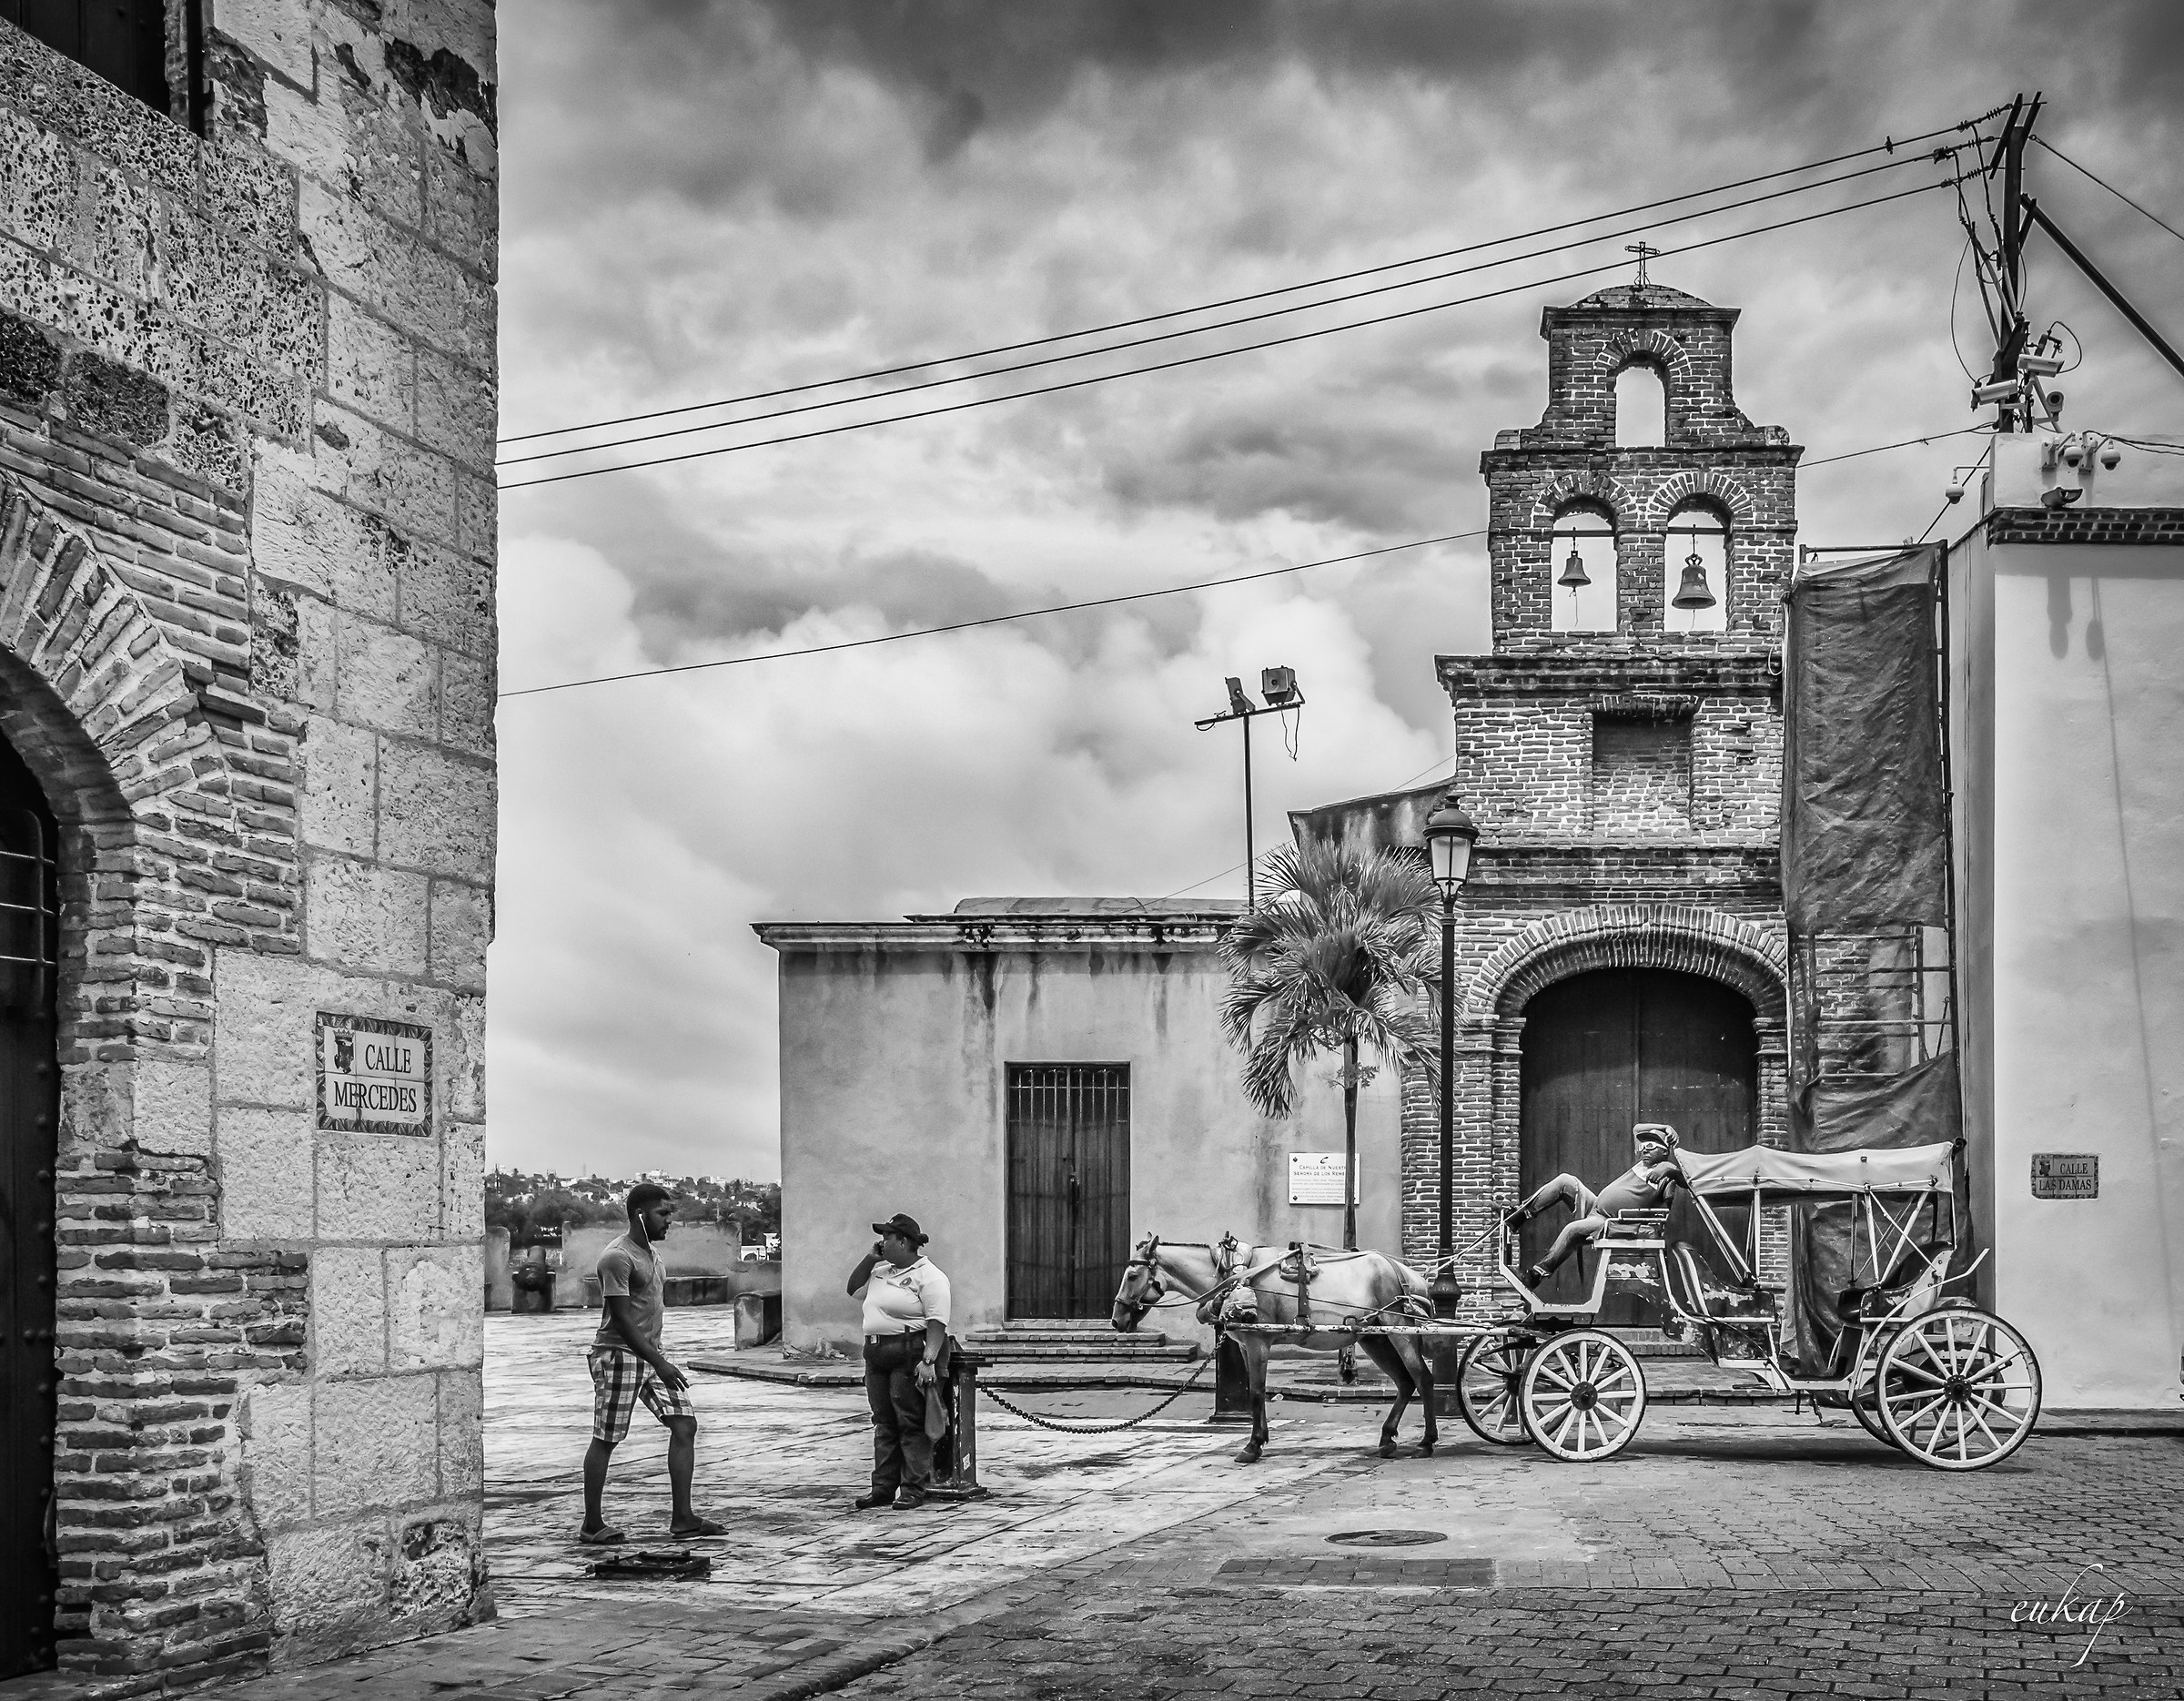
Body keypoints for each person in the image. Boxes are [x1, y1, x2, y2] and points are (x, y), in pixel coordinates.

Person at [581, 1183, 724, 1544]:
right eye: (663, 1214)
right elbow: (624, 1320)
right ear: (640, 1215)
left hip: (649, 1354)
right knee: (607, 1437)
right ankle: (592, 1525)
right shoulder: (617, 1257)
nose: (669, 1221)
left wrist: (656, 1359)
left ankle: (683, 1518)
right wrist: (660, 1362)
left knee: (685, 1425)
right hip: (619, 1355)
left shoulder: (653, 1255)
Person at [845, 1212, 951, 1511]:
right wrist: (869, 1259)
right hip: (877, 1353)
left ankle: (913, 1488)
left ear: (903, 1242)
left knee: (911, 1421)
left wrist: (929, 1360)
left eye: (887, 1237)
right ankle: (882, 1488)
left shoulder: (929, 1276)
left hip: (910, 1352)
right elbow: (853, 1289)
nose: (881, 1242)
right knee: (884, 1422)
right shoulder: (880, 1271)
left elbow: (937, 1321)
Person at [1510, 1123, 1684, 1286]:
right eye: (1643, 1147)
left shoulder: (1666, 1173)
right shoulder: (1642, 1164)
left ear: (1664, 1151)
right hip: (1596, 1209)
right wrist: (1665, 1127)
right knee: (1566, 1180)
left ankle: (1536, 1275)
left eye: (1651, 1147)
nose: (1644, 1150)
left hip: (1612, 1221)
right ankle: (1518, 1217)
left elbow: (1685, 1184)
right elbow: (1637, 1128)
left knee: (1572, 1230)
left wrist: (1672, 1172)